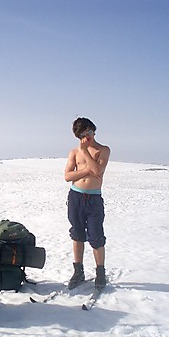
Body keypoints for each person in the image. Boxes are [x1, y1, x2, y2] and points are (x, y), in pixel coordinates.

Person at [64, 117, 110, 289]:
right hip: (76, 197)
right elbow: (67, 176)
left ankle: (100, 272)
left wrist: (85, 153)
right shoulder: (74, 152)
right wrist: (86, 171)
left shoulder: (103, 150)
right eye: (82, 135)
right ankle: (78, 271)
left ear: (93, 130)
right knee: (77, 234)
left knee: (96, 236)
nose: (86, 137)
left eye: (88, 132)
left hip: (93, 199)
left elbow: (98, 171)